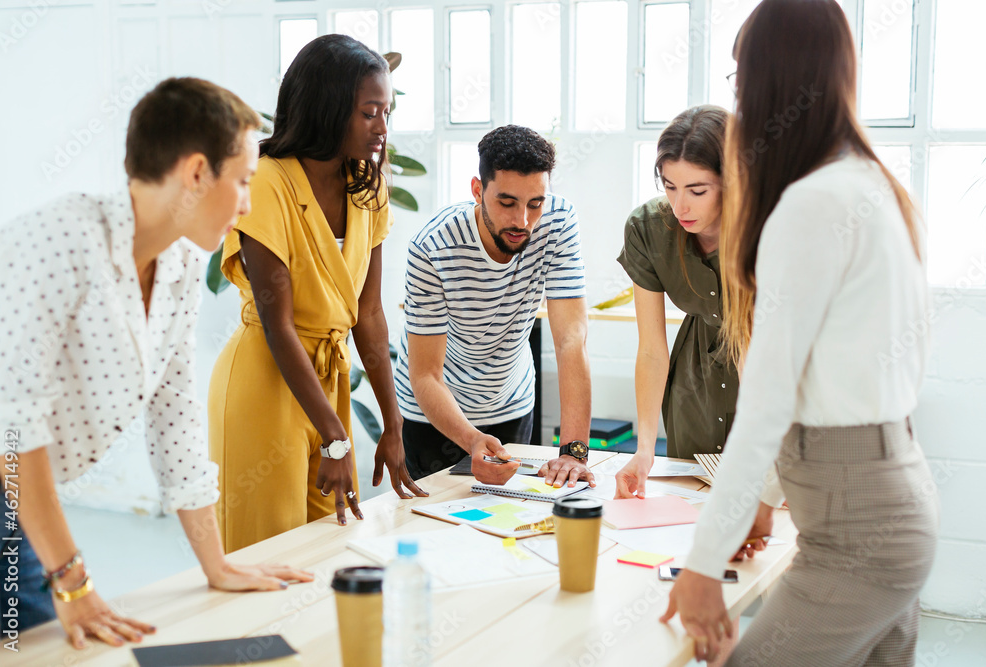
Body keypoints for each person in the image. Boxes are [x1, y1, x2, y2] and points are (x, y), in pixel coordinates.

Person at [0, 77, 314, 649]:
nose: (247, 203)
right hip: (7, 474)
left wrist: (217, 564)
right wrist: (71, 578)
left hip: (14, 499)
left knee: (43, 649)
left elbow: (176, 415)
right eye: (242, 181)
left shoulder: (182, 264)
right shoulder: (58, 242)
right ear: (194, 173)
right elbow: (12, 430)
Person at [660, 1, 938, 664]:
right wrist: (763, 497)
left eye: (738, 78)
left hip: (856, 529)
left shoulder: (812, 203)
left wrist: (703, 562)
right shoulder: (875, 185)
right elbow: (841, 373)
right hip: (893, 501)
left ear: (767, 85)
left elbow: (767, 398)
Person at [208, 34, 425, 555]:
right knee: (266, 559)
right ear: (329, 109)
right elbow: (278, 322)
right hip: (264, 383)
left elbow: (369, 315)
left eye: (386, 112)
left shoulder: (367, 188)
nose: (383, 127)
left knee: (325, 551)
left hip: (328, 384)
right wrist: (336, 438)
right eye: (370, 112)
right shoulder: (265, 183)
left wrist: (393, 424)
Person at [393, 124, 595, 487]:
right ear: (477, 190)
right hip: (434, 415)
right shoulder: (432, 247)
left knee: (514, 521)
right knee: (436, 530)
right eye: (506, 203)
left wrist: (574, 450)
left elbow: (571, 340)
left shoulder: (559, 222)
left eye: (535, 203)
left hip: (512, 402)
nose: (522, 221)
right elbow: (425, 374)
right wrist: (470, 439)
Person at [612, 105, 742, 501]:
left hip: (766, 381)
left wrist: (774, 451)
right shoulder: (648, 228)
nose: (680, 205)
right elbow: (652, 350)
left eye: (697, 190)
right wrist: (645, 449)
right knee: (691, 519)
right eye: (669, 186)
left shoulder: (767, 226)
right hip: (693, 390)